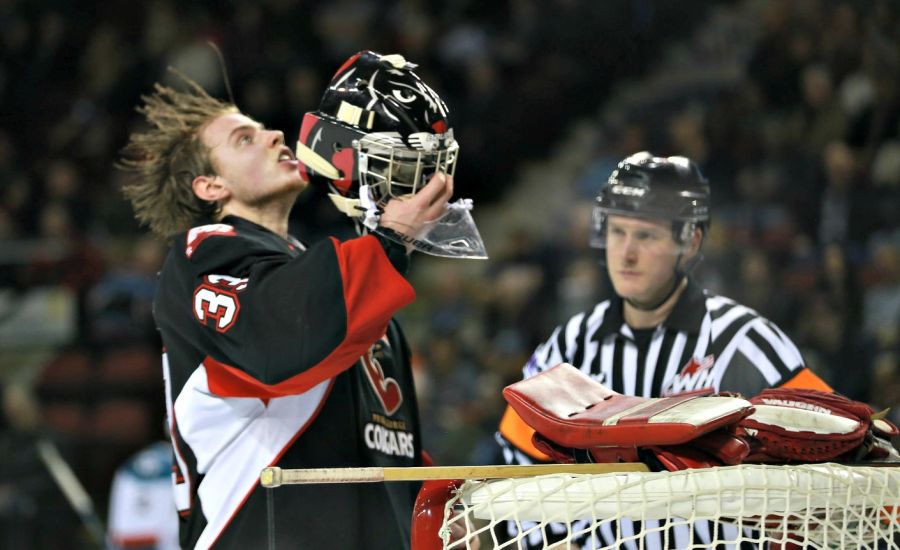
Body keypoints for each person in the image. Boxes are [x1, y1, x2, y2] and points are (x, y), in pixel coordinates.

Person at [119, 51, 483, 549]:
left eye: (266, 128)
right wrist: (390, 240)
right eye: (244, 138)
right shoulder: (202, 256)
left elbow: (385, 449)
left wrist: (443, 511)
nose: (274, 136)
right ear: (210, 185)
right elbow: (279, 345)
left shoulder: (331, 281)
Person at [495, 152, 832, 548]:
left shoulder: (745, 340)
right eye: (618, 232)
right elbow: (514, 462)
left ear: (690, 242)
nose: (627, 253)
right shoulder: (567, 347)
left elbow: (829, 449)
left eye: (646, 235)